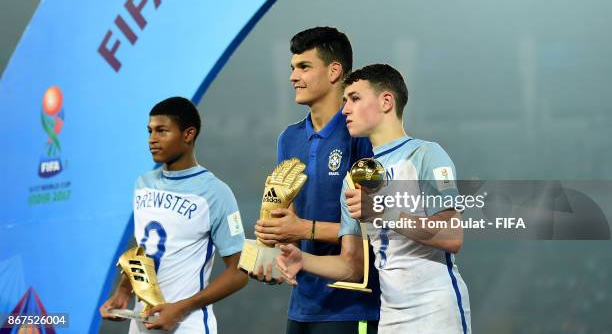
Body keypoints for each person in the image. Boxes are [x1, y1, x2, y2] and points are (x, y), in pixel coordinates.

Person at [277, 64, 472, 333]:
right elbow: (351, 266)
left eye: (355, 99)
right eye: (344, 100)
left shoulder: (426, 154)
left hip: (435, 308)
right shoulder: (353, 177)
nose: (345, 109)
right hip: (389, 315)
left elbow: (452, 236)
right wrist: (303, 260)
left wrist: (379, 209)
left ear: (386, 101)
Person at [254, 27, 380, 334]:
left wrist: (302, 228)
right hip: (302, 304)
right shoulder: (289, 139)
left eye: (304, 67)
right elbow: (293, 224)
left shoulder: (363, 135)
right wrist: (273, 243)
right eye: (292, 68)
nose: (293, 77)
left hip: (352, 306)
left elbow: (378, 224)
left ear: (335, 71)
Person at [99, 97, 248, 333]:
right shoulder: (142, 184)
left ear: (188, 134)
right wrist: (123, 291)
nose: (152, 140)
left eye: (162, 131)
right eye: (149, 131)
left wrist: (180, 308)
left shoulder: (216, 193)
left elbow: (239, 271)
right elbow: (144, 249)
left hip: (187, 325)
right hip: (140, 324)